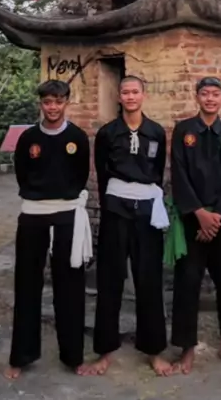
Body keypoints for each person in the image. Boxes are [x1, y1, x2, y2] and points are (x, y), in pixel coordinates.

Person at [5, 80, 91, 380]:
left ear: (67, 102)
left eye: (58, 101)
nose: (52, 107)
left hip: (66, 215)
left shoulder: (77, 137)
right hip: (33, 215)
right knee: (27, 284)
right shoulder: (28, 138)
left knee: (70, 288)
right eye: (47, 102)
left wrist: (62, 198)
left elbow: (81, 175)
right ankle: (22, 355)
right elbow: (22, 174)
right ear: (40, 103)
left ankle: (73, 356)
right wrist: (40, 197)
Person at [86, 76, 171, 377]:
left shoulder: (156, 132)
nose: (130, 96)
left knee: (149, 278)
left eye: (135, 92)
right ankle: (105, 350)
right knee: (109, 278)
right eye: (125, 92)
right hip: (115, 209)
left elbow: (157, 171)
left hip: (146, 210)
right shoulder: (108, 133)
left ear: (143, 95)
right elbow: (102, 172)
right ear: (119, 96)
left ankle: (154, 349)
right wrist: (113, 203)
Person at [170, 76, 221, 374]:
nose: (210, 99)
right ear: (197, 97)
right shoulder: (184, 131)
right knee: (187, 282)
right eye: (205, 93)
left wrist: (217, 217)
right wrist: (199, 213)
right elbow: (178, 173)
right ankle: (187, 347)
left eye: (215, 94)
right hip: (192, 220)